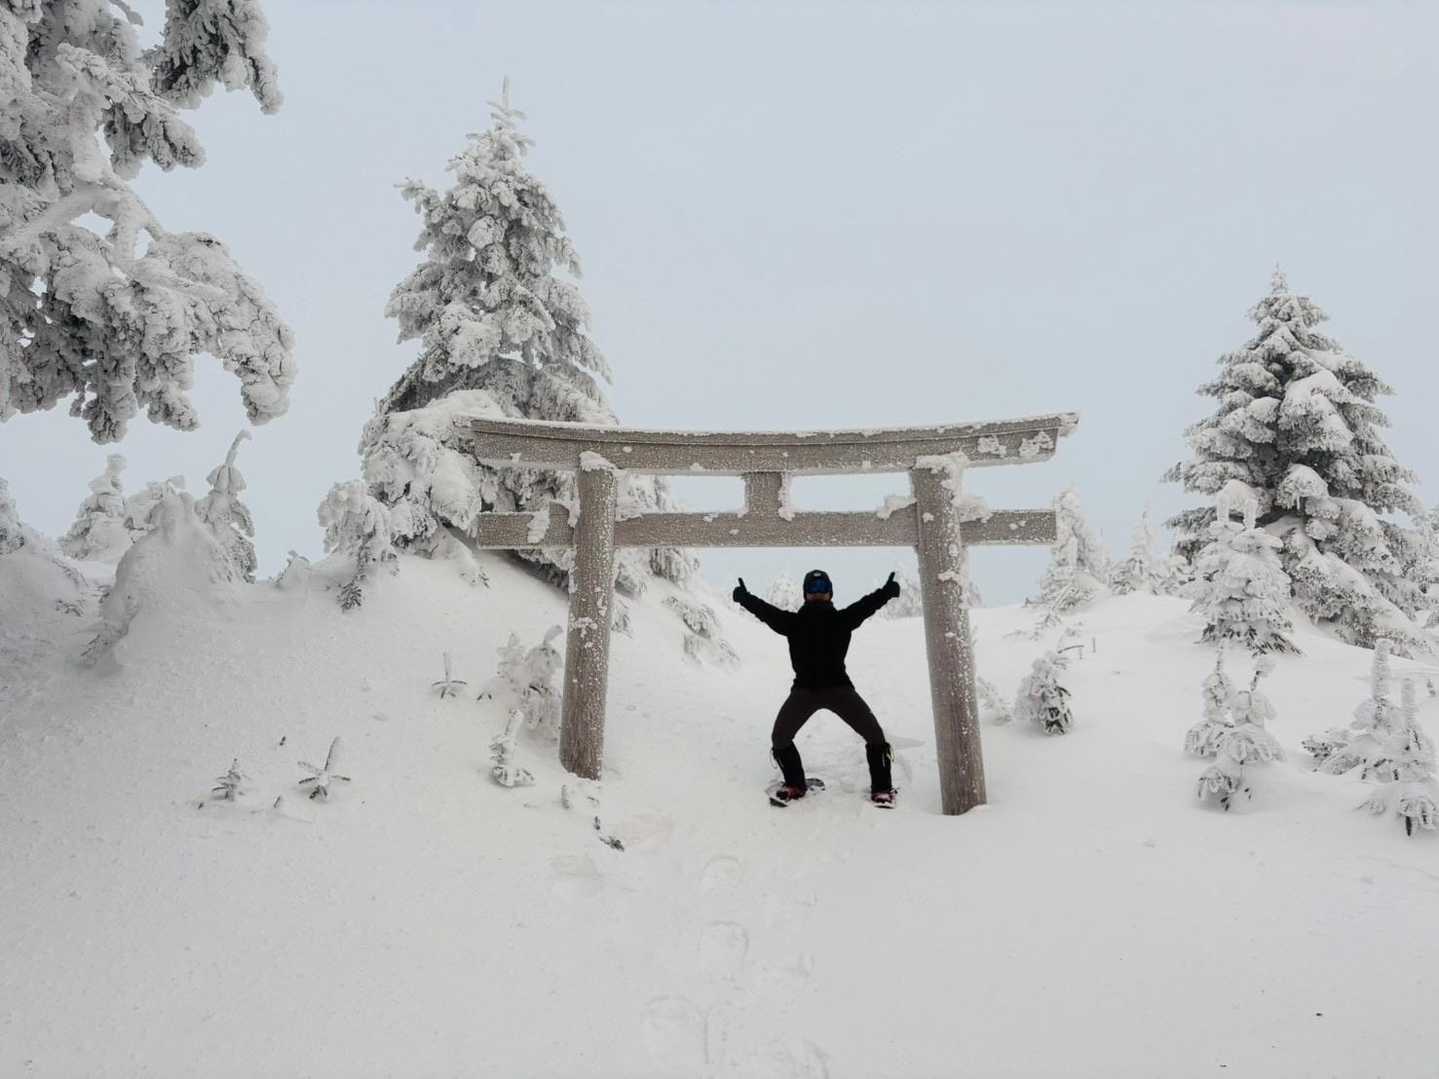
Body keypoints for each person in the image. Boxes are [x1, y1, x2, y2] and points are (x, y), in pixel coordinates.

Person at [732, 568, 901, 805]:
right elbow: (766, 612)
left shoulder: (842, 619)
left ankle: (882, 789)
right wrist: (745, 598)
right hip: (804, 692)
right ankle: (795, 785)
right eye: (813, 588)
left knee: (876, 737)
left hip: (839, 690)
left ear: (830, 593)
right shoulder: (794, 622)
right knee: (780, 738)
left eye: (823, 588)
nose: (818, 592)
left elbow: (867, 605)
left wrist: (886, 592)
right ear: (805, 594)